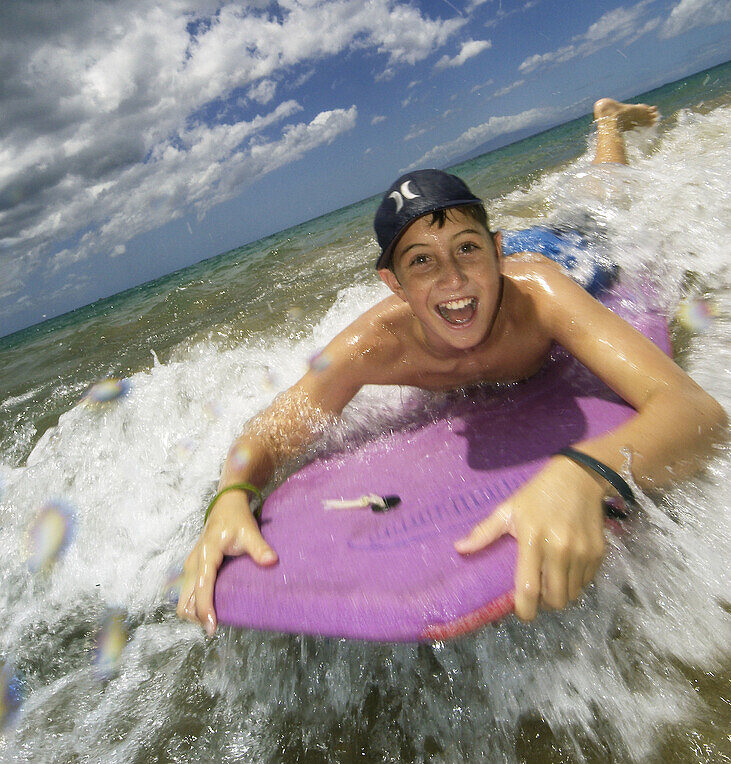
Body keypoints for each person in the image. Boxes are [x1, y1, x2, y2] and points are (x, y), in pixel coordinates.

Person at [178, 98, 726, 635]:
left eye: (467, 250)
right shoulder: (372, 345)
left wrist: (586, 472)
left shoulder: (542, 296)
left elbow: (696, 412)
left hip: (568, 256)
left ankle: (609, 125)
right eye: (421, 262)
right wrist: (231, 497)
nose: (453, 280)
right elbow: (269, 434)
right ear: (393, 283)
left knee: (600, 206)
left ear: (494, 250)